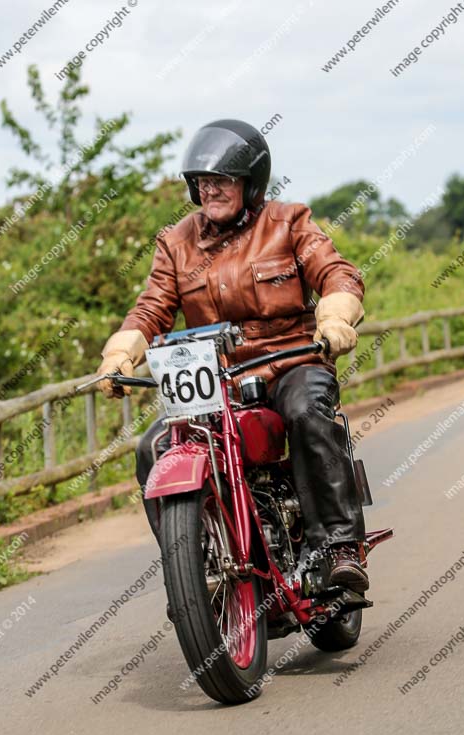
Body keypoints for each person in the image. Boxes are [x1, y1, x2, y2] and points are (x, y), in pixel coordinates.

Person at [97, 119, 368, 593]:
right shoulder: (176, 242)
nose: (210, 190)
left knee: (308, 412)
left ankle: (340, 545)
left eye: (221, 180)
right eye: (202, 181)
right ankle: (197, 572)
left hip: (291, 361)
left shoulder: (288, 222)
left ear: (251, 181)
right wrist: (119, 354)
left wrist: (335, 317)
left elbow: (336, 273)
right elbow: (152, 308)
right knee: (153, 447)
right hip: (215, 377)